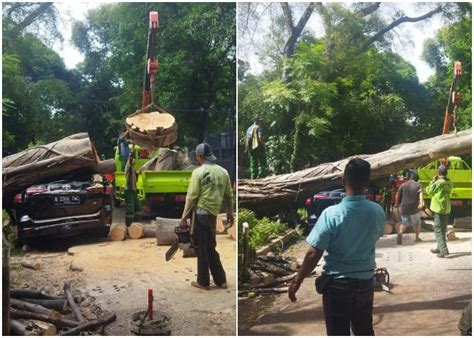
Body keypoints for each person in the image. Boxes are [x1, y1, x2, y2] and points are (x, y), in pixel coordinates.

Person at [288, 158, 386, 336]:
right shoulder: (377, 211)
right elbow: (375, 236)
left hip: (337, 286)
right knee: (364, 331)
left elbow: (313, 253)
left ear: (344, 181)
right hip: (365, 283)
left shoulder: (331, 214)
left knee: (337, 333)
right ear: (367, 182)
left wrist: (298, 281)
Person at [180, 143, 234, 290]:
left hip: (201, 214)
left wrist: (184, 217)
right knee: (210, 246)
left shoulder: (198, 172)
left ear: (200, 157)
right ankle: (221, 280)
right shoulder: (223, 172)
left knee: (201, 248)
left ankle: (203, 281)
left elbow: (191, 197)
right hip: (213, 215)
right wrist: (230, 212)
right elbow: (229, 195)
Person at [426, 165, 452, 258]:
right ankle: (439, 247)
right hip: (446, 208)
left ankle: (443, 251)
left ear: (439, 173)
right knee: (443, 229)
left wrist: (433, 180)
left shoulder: (438, 183)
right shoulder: (449, 182)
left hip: (438, 208)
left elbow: (428, 191)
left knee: (438, 230)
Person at [395, 170, 423, 244]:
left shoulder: (403, 185)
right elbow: (421, 195)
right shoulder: (418, 185)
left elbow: (397, 194)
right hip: (414, 208)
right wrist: (421, 203)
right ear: (417, 179)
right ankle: (417, 238)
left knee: (404, 222)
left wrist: (396, 204)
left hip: (404, 207)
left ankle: (400, 232)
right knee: (417, 222)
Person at [124, 148, 140, 226]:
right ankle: (129, 225)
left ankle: (137, 224)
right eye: (134, 159)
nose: (134, 160)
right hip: (129, 190)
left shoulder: (133, 170)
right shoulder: (128, 167)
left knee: (138, 207)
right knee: (130, 209)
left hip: (133, 190)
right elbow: (130, 160)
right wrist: (132, 151)